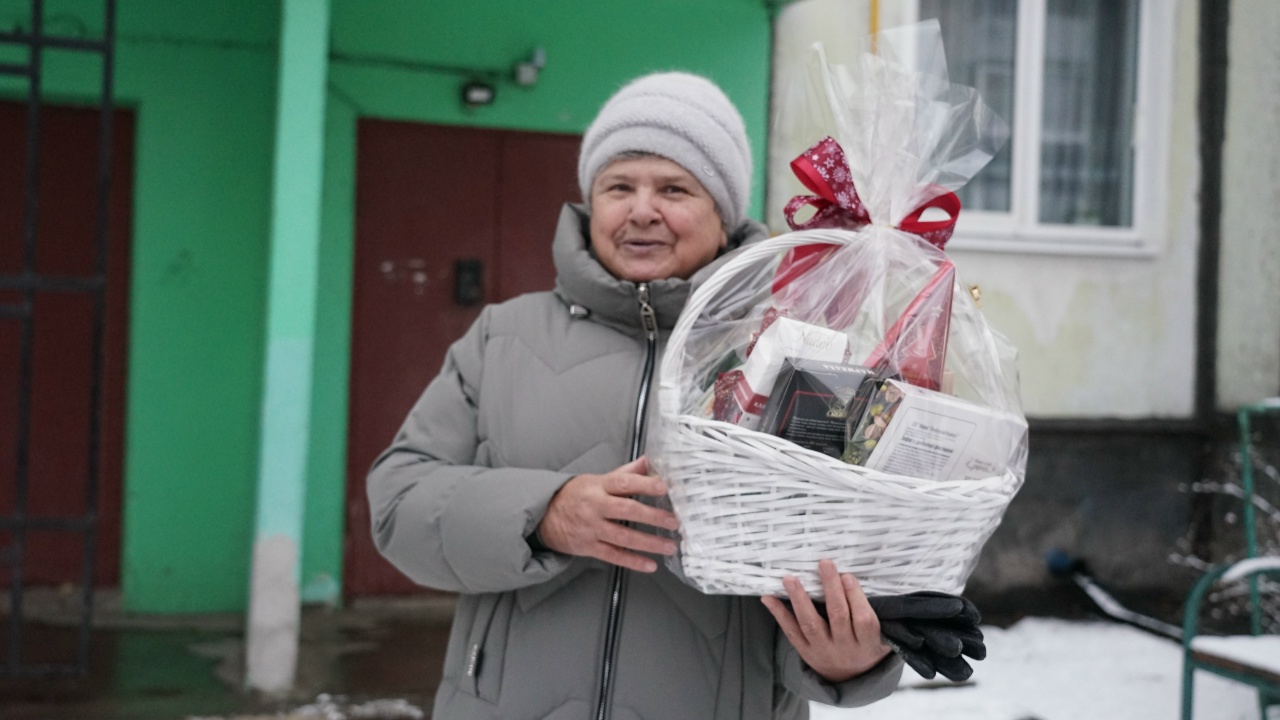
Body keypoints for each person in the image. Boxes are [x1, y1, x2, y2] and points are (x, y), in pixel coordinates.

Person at [366, 71, 903, 720]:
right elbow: (398, 504)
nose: (642, 210)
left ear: (724, 214)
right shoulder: (503, 337)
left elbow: (847, 555)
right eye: (618, 186)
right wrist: (543, 514)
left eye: (674, 188)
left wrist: (848, 662)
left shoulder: (798, 348)